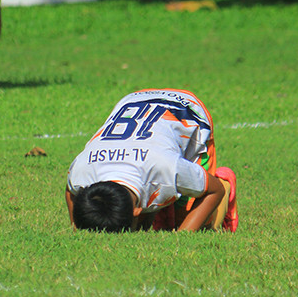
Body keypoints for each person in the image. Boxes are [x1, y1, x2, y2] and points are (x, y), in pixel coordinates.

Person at [66, 89, 239, 233]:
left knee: (195, 221)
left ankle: (225, 181)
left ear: (137, 211)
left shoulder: (167, 169)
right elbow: (70, 190)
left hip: (187, 110)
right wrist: (77, 227)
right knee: (159, 223)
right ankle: (164, 208)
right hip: (133, 101)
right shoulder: (81, 171)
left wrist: (182, 237)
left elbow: (213, 191)